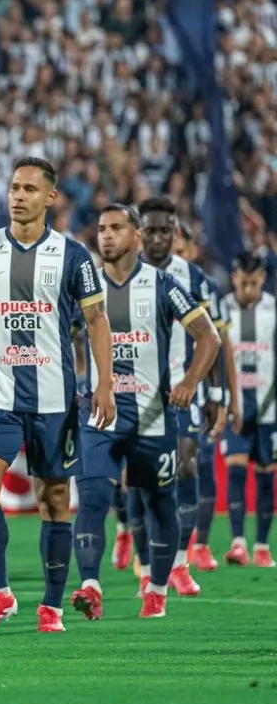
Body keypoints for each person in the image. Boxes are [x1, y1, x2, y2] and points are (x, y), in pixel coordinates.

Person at [0, 157, 116, 634]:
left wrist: (104, 384)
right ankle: (0, 592)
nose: (18, 196)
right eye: (14, 187)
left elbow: (96, 321)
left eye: (29, 189)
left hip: (55, 399)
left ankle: (51, 605)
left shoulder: (73, 256)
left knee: (53, 499)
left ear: (50, 197)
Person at [70, 205, 220, 620]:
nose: (106, 235)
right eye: (102, 228)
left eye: (117, 228)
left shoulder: (163, 284)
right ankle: (90, 586)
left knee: (158, 503)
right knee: (93, 496)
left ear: (136, 235)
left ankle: (157, 589)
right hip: (99, 415)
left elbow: (209, 337)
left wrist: (190, 382)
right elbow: (61, 335)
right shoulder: (85, 285)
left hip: (152, 417)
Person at [138, 197, 227, 596]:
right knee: (141, 479)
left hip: (182, 387)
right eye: (151, 230)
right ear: (139, 233)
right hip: (136, 392)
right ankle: (146, 564)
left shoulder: (193, 278)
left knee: (187, 464)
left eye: (166, 231)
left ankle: (178, 562)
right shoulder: (123, 274)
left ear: (176, 233)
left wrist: (216, 393)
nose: (159, 238)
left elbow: (213, 338)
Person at [174, 224, 237, 572]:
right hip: (156, 391)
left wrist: (221, 396)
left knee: (200, 463)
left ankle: (198, 544)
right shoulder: (146, 279)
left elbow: (219, 346)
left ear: (192, 249)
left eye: (180, 248)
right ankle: (145, 542)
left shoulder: (203, 284)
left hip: (197, 392)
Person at [220, 252, 277, 568]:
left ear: (263, 280)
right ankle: (238, 543)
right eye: (243, 283)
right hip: (236, 410)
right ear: (234, 278)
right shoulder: (222, 309)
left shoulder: (273, 310)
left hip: (270, 411)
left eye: (254, 283)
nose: (248, 290)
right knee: (236, 470)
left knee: (267, 476)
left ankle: (262, 547)